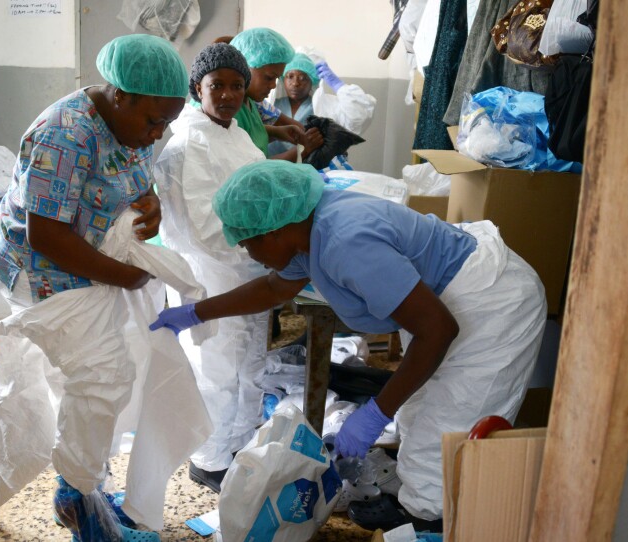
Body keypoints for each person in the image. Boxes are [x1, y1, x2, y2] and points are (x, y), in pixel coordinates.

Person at [149, 161, 546, 528]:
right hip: (442, 301)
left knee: (449, 429)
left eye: (247, 241)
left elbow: (438, 331)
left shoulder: (344, 241)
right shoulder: (305, 230)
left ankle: (429, 522)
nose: (244, 250)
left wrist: (374, 415)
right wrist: (197, 312)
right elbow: (274, 287)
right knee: (417, 414)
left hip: (492, 302)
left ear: (272, 230)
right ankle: (417, 498)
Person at [0, 34, 189, 542]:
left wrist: (150, 201)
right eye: (152, 121)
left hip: (86, 268)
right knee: (92, 381)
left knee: (91, 384)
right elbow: (46, 237)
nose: (157, 133)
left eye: (167, 123)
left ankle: (81, 483)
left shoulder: (128, 124)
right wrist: (128, 276)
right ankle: (78, 498)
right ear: (120, 94)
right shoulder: (65, 134)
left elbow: (135, 172)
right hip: (40, 272)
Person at [153, 43, 268, 493]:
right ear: (196, 88)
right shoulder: (187, 144)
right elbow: (203, 227)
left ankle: (240, 443)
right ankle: (209, 459)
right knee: (217, 367)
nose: (227, 94)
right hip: (211, 271)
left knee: (249, 360)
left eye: (237, 85)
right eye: (216, 84)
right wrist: (260, 251)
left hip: (248, 268)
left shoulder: (236, 134)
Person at [267, 52, 377, 170]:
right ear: (283, 79)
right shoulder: (270, 105)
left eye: (303, 78)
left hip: (313, 171)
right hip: (272, 169)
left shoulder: (323, 106)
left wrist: (338, 85)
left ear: (312, 82)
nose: (295, 83)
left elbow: (359, 115)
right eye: (290, 76)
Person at [229, 27, 324, 162]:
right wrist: (303, 150)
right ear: (244, 66)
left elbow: (249, 134)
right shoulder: (228, 109)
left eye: (276, 78)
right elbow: (252, 167)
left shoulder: (249, 102)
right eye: (269, 77)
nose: (274, 85)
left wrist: (276, 132)